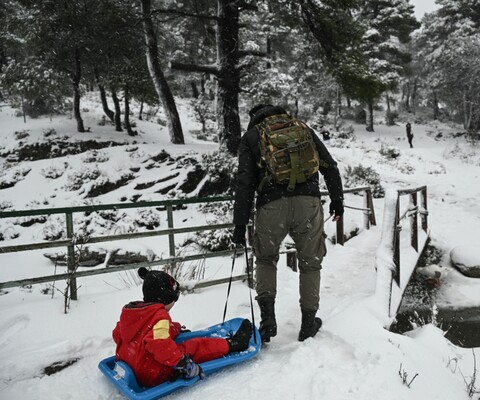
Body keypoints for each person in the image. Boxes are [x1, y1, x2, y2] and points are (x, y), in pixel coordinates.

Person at [232, 104, 344, 343]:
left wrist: (239, 225)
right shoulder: (303, 129)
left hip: (271, 207)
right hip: (308, 204)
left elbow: (244, 184)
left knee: (265, 259)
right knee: (311, 263)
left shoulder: (251, 137)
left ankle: (268, 320)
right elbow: (329, 165)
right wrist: (337, 200)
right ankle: (308, 323)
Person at [112, 267, 252, 387]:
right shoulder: (159, 316)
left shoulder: (132, 311)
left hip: (129, 363)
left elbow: (118, 334)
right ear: (166, 298)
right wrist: (182, 362)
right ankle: (233, 344)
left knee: (167, 340)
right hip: (151, 373)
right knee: (196, 346)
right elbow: (159, 344)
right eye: (175, 298)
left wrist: (175, 329)